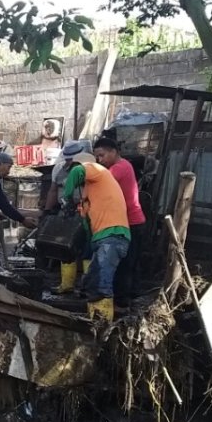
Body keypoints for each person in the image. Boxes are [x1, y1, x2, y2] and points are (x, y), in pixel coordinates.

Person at [60, 152, 130, 321]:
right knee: (91, 281)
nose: (73, 173)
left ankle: (102, 325)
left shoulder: (97, 169)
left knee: (101, 283)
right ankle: (94, 320)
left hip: (113, 234)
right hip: (103, 238)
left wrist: (66, 198)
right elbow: (86, 223)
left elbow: (77, 171)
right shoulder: (90, 191)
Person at [92, 137, 146, 313]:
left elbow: (99, 182)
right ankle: (132, 297)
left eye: (102, 155)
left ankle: (122, 303)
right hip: (131, 221)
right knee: (131, 263)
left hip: (130, 222)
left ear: (114, 152)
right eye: (97, 157)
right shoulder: (124, 166)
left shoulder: (118, 168)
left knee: (124, 265)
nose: (99, 160)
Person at [44, 139, 90, 293]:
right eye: (68, 158)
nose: (70, 161)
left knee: (86, 249)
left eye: (73, 158)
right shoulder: (58, 169)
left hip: (84, 211)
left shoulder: (86, 169)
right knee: (65, 247)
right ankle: (67, 284)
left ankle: (86, 286)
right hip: (66, 211)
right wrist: (48, 210)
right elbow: (53, 190)